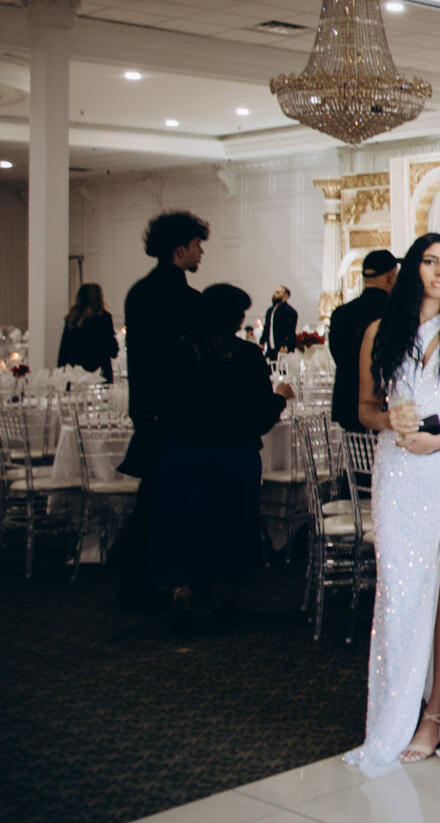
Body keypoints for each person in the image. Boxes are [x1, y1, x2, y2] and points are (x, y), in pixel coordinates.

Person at [345, 232, 440, 772]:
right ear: (413, 267)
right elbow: (364, 407)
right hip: (400, 469)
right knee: (400, 590)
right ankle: (395, 709)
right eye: (431, 262)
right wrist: (388, 419)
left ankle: (436, 715)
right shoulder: (379, 331)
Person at [145, 284, 295, 630]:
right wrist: (279, 397)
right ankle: (223, 593)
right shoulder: (246, 356)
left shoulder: (177, 352)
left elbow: (158, 402)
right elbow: (260, 415)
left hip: (182, 452)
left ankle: (182, 588)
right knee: (229, 525)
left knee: (183, 523)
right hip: (232, 454)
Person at [118, 210, 208, 610]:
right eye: (197, 244)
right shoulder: (189, 300)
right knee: (179, 498)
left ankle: (137, 581)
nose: (201, 251)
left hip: (146, 406)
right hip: (182, 411)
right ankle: (175, 580)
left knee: (151, 496)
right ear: (179, 250)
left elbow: (137, 359)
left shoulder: (137, 293)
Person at [328, 249, 400, 432]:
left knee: (356, 450)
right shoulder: (395, 314)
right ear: (391, 278)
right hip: (382, 408)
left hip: (347, 403)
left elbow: (337, 356)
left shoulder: (340, 314)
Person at [57, 283, 119, 381]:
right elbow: (112, 350)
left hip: (75, 375)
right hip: (100, 373)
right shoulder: (104, 318)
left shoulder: (72, 319)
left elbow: (63, 351)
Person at [261, 286, 299, 357]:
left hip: (283, 349)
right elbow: (266, 328)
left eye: (278, 293)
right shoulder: (270, 310)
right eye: (274, 292)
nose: (274, 294)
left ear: (286, 296)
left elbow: (290, 330)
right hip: (270, 349)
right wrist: (262, 342)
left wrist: (285, 345)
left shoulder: (290, 311)